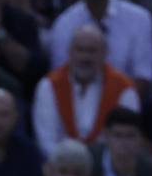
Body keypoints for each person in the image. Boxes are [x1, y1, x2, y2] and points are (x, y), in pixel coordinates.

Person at [31, 24, 140, 156]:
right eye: (80, 50)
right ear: (70, 52)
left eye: (92, 51)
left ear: (105, 53)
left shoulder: (124, 88)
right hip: (63, 168)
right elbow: (46, 141)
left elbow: (126, 139)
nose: (85, 57)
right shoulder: (49, 86)